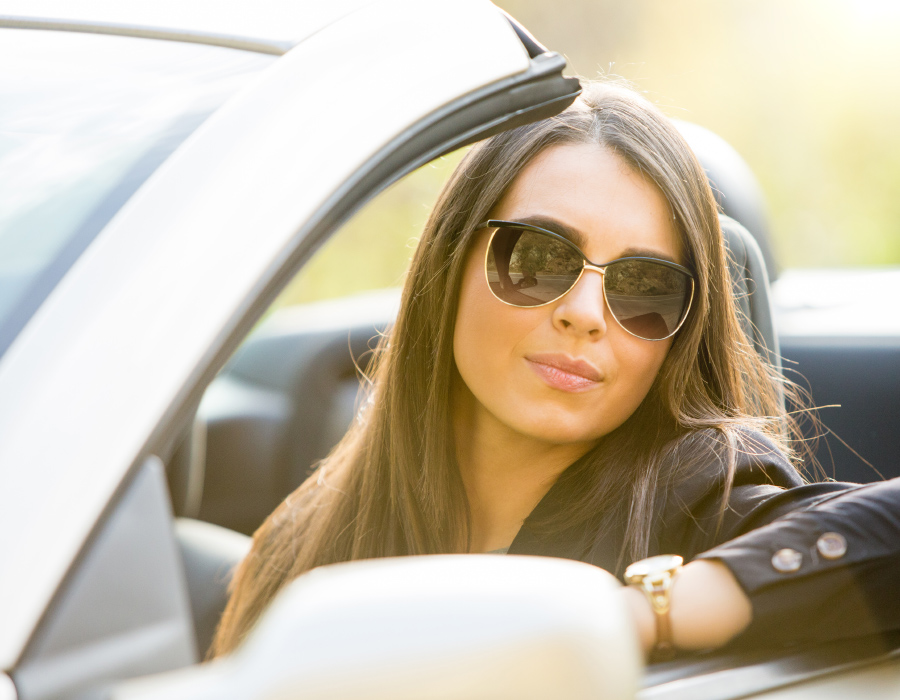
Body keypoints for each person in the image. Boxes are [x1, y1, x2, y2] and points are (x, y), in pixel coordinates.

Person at [209, 81, 900, 660]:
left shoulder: (704, 497)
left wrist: (646, 613)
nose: (584, 312)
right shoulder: (309, 537)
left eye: (643, 286)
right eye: (537, 257)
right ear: (450, 264)